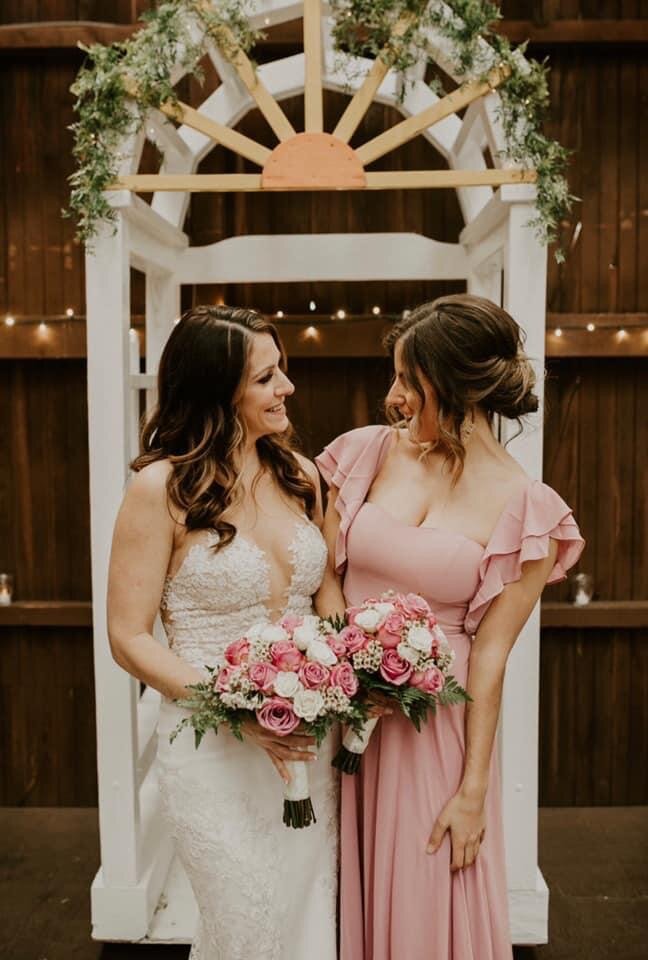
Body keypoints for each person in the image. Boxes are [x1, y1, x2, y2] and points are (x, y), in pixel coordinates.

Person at [315, 294, 585, 960]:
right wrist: (336, 637)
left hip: (434, 731)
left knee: (423, 896)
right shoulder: (367, 453)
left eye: (410, 380)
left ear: (457, 385)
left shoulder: (529, 510)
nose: (396, 396)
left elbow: (490, 659)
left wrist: (473, 793)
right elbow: (316, 562)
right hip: (343, 713)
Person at [107, 305, 338, 960]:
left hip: (304, 746)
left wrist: (360, 667)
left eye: (282, 371)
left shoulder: (304, 478)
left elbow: (329, 606)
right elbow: (129, 637)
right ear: (219, 390)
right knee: (247, 923)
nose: (286, 388)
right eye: (267, 378)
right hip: (209, 745)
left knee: (305, 917)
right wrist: (237, 709)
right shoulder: (161, 489)